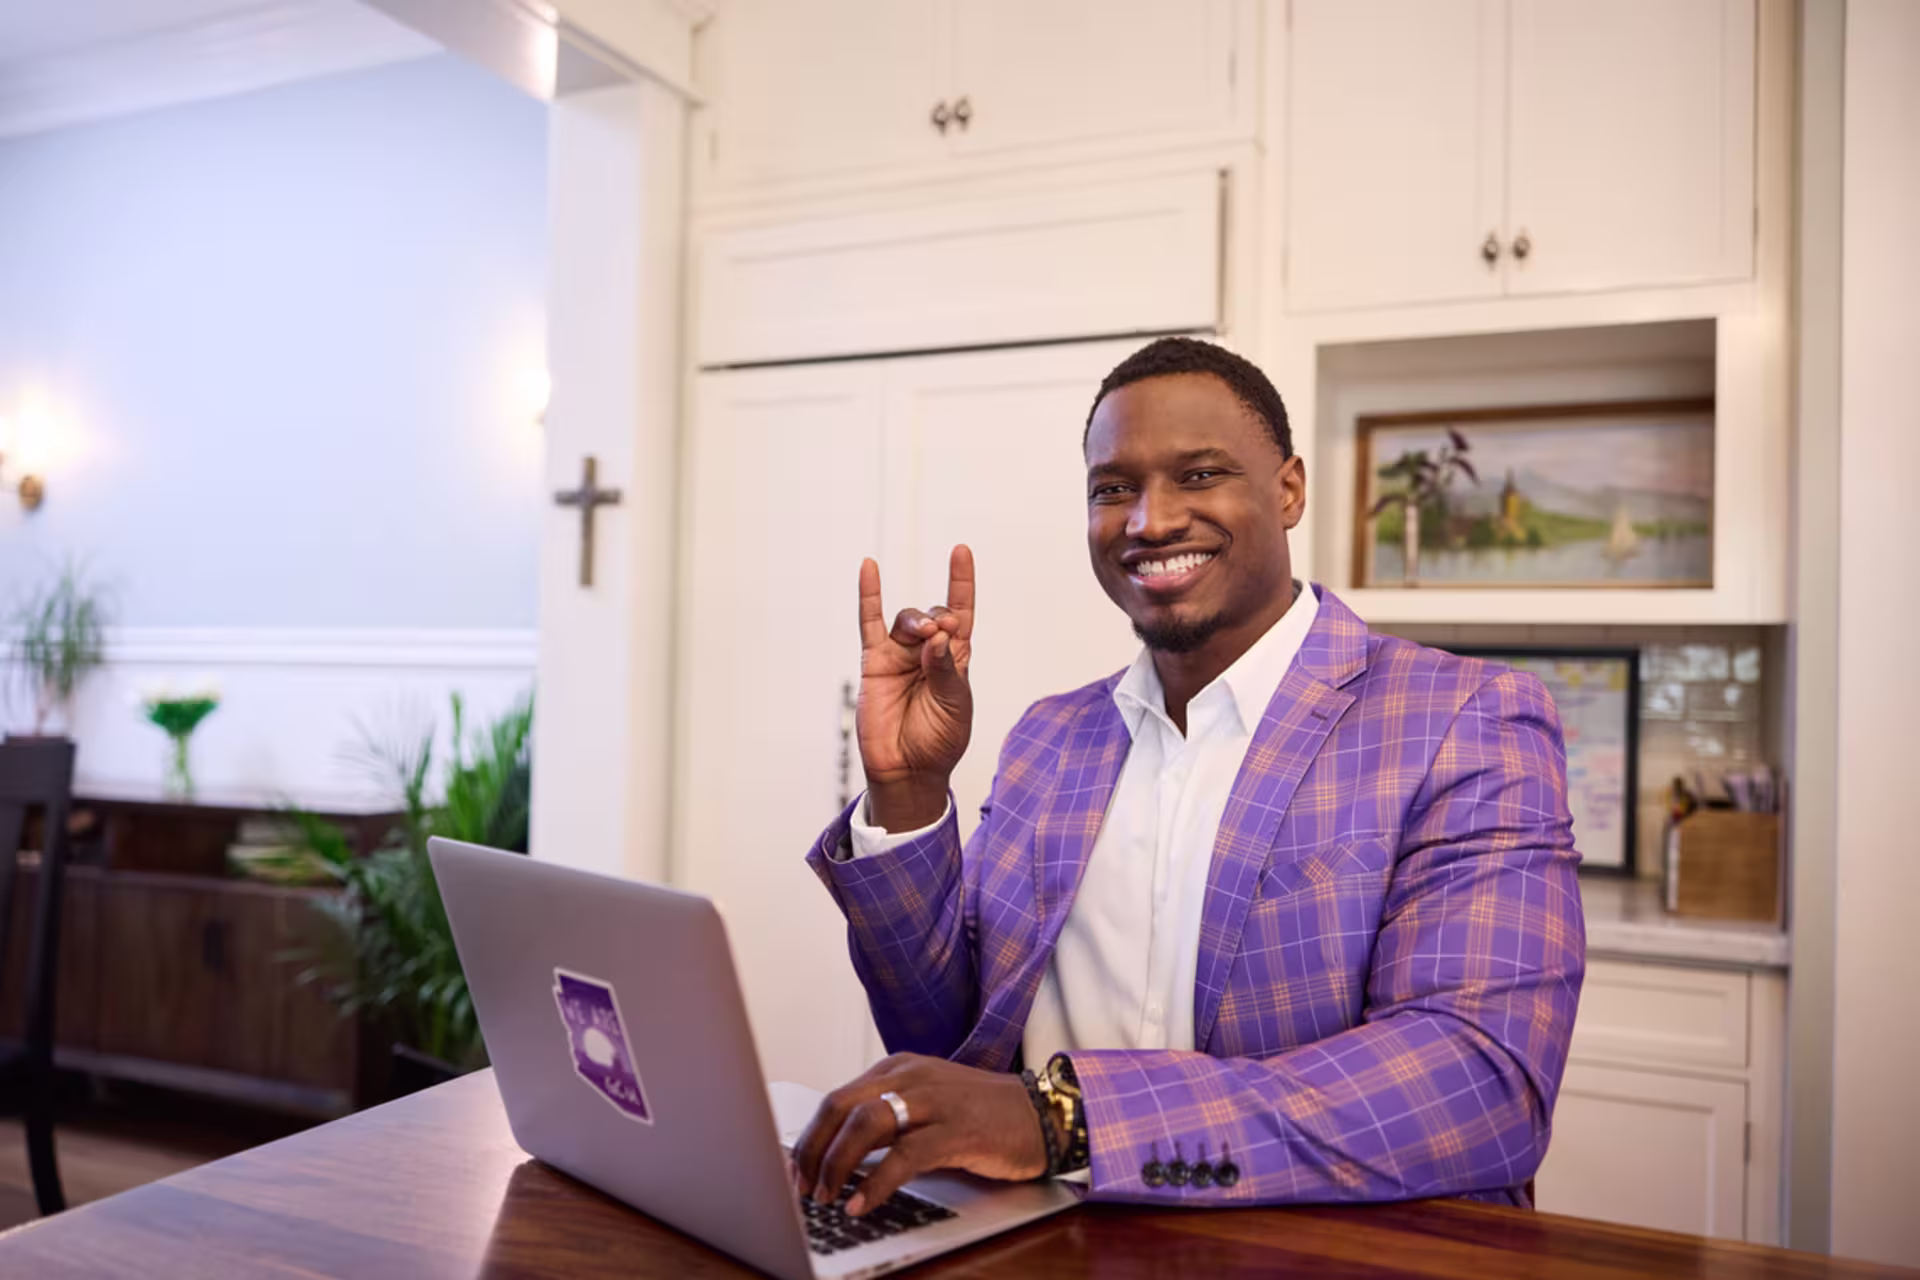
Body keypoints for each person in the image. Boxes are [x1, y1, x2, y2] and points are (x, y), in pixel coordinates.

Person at [791, 337, 1584, 1216]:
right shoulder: (1050, 738)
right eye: (1113, 489)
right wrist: (906, 792)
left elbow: (1479, 1085)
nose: (1150, 521)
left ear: (1287, 490)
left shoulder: (1463, 718)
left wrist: (1065, 1120)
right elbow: (949, 1042)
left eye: (1200, 476)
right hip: (1041, 1245)